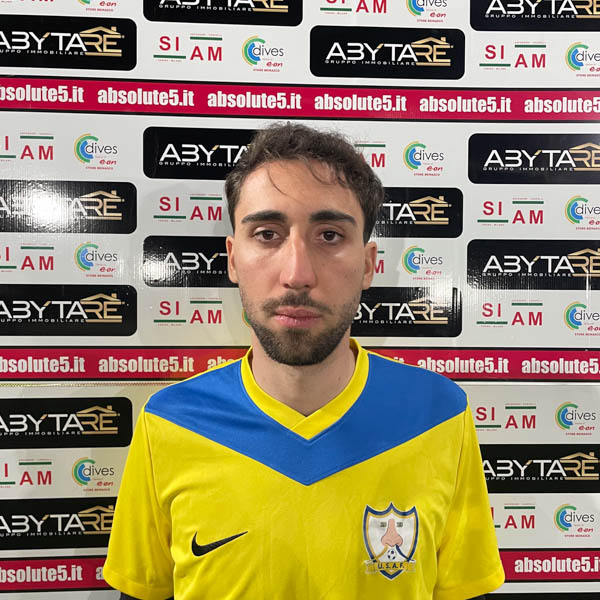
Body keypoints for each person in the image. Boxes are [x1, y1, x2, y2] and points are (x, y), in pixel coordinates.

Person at [104, 123, 504, 600]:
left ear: (368, 264)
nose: (297, 274)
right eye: (267, 234)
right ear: (232, 259)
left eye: (329, 235)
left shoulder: (439, 414)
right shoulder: (170, 423)